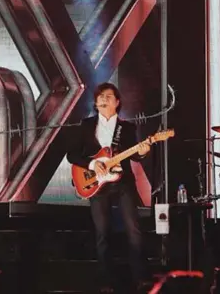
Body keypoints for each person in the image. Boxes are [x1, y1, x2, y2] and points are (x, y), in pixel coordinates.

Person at [67, 82, 150, 293]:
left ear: (117, 102)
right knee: (102, 233)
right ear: (95, 103)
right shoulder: (86, 125)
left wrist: (144, 150)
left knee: (134, 230)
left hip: (123, 184)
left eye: (108, 96)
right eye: (100, 97)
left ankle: (140, 278)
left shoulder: (127, 128)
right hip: (96, 184)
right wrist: (94, 164)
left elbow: (135, 155)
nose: (103, 99)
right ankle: (105, 282)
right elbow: (72, 155)